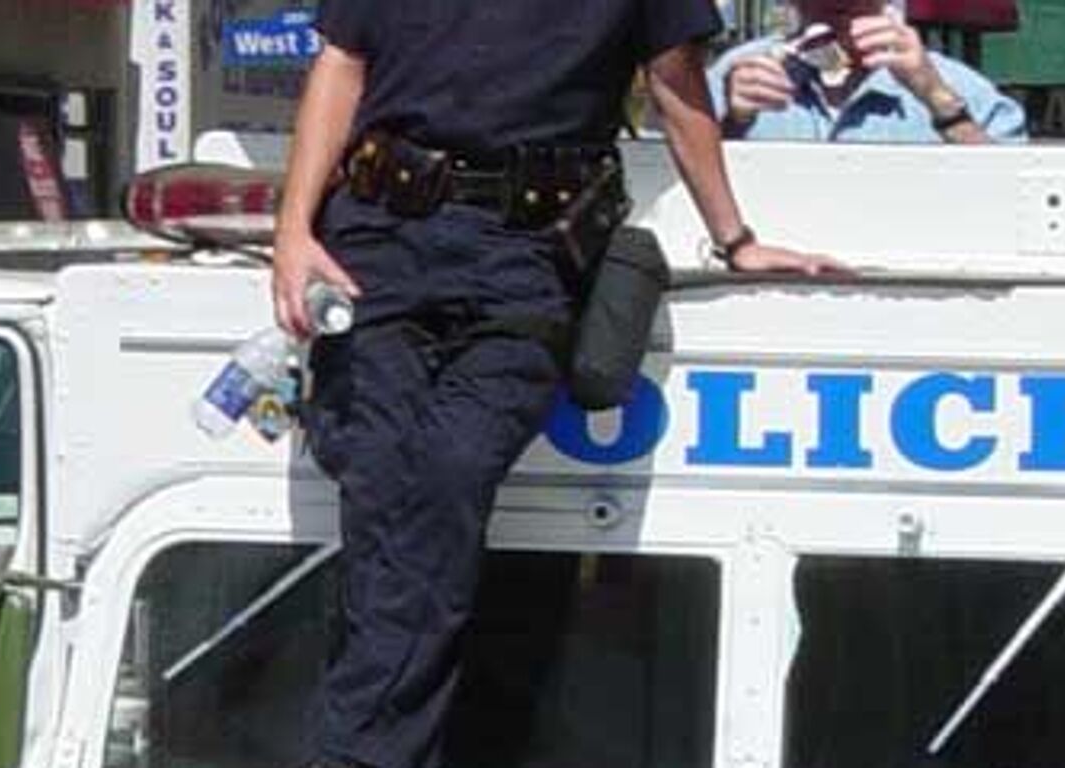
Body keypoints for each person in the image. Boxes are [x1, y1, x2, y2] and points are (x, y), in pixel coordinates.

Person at [268, 4, 841, 768]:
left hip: (530, 251)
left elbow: (677, 88)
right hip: (377, 233)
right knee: (378, 472)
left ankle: (356, 756)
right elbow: (341, 63)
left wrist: (735, 239)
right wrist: (292, 232)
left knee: (449, 470)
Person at [711, 0, 1026, 143]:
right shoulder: (738, 72)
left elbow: (1015, 204)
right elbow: (680, 185)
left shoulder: (957, 86)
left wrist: (938, 101)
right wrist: (734, 123)